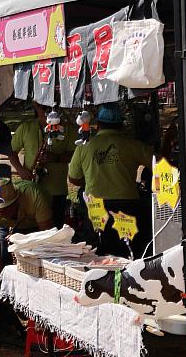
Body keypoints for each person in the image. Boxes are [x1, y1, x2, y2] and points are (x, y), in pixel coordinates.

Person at [68, 103, 153, 257]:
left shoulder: (84, 146)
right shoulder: (133, 145)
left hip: (95, 207)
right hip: (126, 208)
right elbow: (159, 163)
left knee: (97, 253)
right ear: (121, 126)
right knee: (126, 252)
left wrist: (89, 180)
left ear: (98, 124)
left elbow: (73, 178)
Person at [9, 102, 75, 229]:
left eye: (52, 108)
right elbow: (11, 152)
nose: (48, 112)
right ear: (36, 106)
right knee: (31, 233)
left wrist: (55, 157)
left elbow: (75, 154)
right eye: (44, 108)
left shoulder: (66, 130)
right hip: (31, 190)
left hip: (56, 191)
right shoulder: (26, 128)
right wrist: (21, 171)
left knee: (55, 234)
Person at [0, 177, 53, 279]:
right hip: (9, 225)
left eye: (4, 209)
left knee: (36, 257)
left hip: (37, 223)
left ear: (16, 201)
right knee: (6, 257)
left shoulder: (34, 195)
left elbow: (48, 238)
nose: (0, 214)